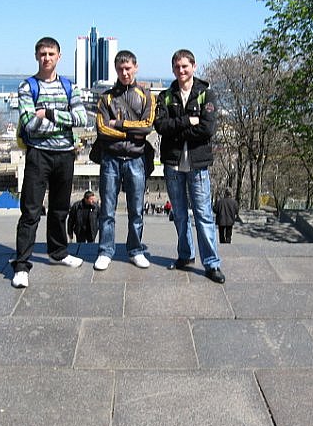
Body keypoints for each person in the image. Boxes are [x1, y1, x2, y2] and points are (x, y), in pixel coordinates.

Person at [12, 36, 88, 288]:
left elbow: (82, 119)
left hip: (65, 155)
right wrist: (62, 123)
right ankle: (21, 265)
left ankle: (59, 252)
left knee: (60, 208)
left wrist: (48, 113)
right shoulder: (27, 86)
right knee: (31, 210)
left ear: (59, 56)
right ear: (36, 56)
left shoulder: (69, 86)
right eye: (43, 54)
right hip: (38, 155)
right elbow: (28, 123)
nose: (47, 58)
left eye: (51, 54)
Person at [154, 49, 225, 283]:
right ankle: (185, 255)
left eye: (185, 66)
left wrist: (178, 130)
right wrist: (188, 121)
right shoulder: (165, 96)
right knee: (180, 215)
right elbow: (161, 127)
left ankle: (211, 263)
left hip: (198, 165)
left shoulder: (207, 94)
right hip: (173, 164)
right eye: (177, 67)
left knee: (204, 215)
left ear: (194, 66)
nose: (181, 70)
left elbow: (207, 129)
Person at [94, 50, 155, 271]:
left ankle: (135, 250)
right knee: (107, 209)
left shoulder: (146, 95)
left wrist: (119, 125)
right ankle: (105, 251)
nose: (125, 73)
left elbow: (147, 127)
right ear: (116, 70)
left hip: (136, 159)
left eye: (128, 68)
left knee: (136, 209)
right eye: (120, 69)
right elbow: (102, 129)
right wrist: (131, 133)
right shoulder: (106, 97)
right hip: (111, 158)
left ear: (135, 67)